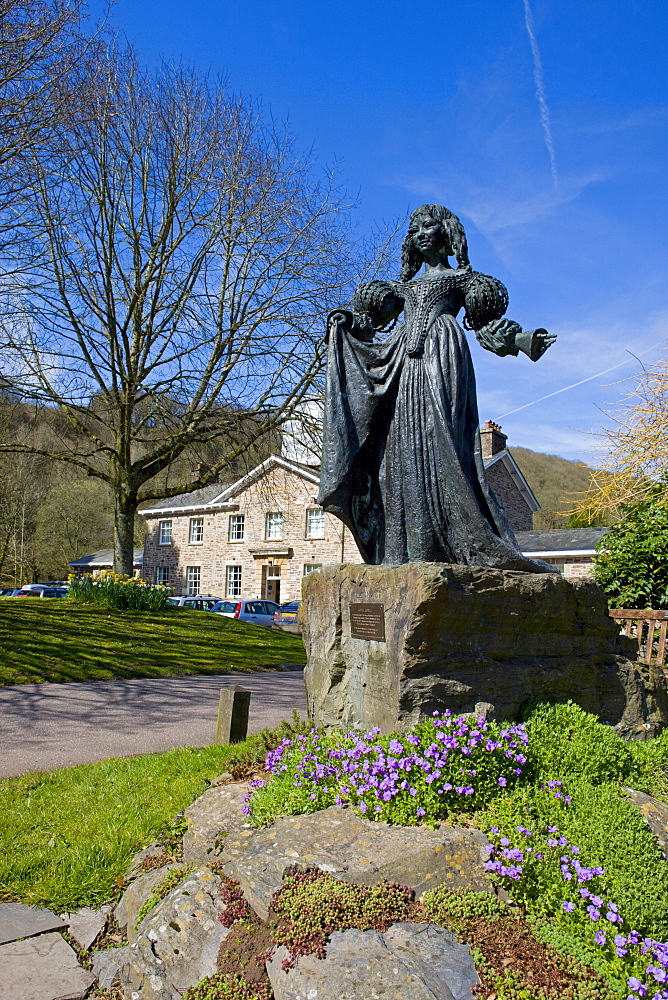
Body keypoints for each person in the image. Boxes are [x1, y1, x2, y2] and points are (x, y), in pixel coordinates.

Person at [317, 203, 557, 569]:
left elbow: (488, 328)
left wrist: (522, 341)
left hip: (442, 356)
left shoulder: (463, 282)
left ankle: (450, 538)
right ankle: (408, 546)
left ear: (446, 233)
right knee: (399, 450)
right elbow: (369, 322)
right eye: (414, 229)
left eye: (427, 226)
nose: (419, 233)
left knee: (440, 441)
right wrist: (347, 323)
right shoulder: (399, 289)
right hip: (402, 363)